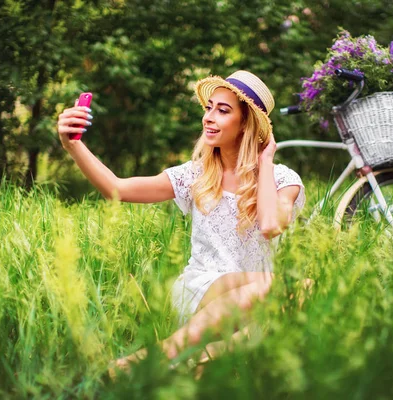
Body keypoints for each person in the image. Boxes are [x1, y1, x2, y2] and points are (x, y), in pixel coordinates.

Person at [56, 70, 305, 375]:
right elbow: (116, 189)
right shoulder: (194, 175)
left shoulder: (282, 180)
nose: (209, 117)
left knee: (294, 288)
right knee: (284, 286)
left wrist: (264, 162)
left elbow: (269, 225)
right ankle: (163, 355)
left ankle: (193, 358)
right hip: (203, 289)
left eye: (223, 111)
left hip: (257, 298)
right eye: (209, 108)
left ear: (245, 125)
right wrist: (73, 146)